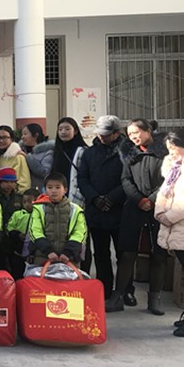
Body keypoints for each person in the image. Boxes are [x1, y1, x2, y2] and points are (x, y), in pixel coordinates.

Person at [108, 119, 168, 315]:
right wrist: (139, 199)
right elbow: (125, 179)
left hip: (159, 207)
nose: (133, 136)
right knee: (127, 253)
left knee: (158, 254)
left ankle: (154, 299)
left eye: (136, 132)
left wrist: (152, 199)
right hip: (134, 206)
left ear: (148, 130)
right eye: (130, 133)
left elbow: (169, 179)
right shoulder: (128, 152)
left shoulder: (165, 151)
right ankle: (118, 297)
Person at [77, 115, 129, 298]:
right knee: (100, 253)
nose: (101, 137)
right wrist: (95, 198)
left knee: (124, 254)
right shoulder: (89, 153)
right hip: (96, 210)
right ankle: (104, 290)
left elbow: (130, 180)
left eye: (106, 134)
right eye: (100, 133)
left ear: (117, 133)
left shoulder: (128, 152)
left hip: (120, 209)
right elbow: (82, 179)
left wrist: (112, 198)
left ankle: (125, 290)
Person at [154, 131, 184, 337]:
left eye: (174, 148)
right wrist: (160, 212)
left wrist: (169, 217)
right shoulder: (173, 168)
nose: (171, 152)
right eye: (169, 149)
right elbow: (164, 193)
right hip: (175, 227)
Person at [27, 172, 87, 267]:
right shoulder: (38, 208)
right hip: (42, 258)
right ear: (45, 190)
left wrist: (68, 252)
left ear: (65, 190)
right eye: (50, 187)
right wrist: (48, 251)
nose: (53, 191)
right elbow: (35, 231)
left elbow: (80, 233)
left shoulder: (76, 210)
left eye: (58, 187)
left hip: (69, 259)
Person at [52, 117, 89, 207]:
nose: (63, 132)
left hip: (76, 195)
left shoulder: (82, 151)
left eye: (67, 129)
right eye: (60, 129)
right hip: (57, 195)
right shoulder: (56, 150)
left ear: (75, 131)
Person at [6, 189, 39, 279]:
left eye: (30, 202)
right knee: (16, 272)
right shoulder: (17, 214)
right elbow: (10, 227)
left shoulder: (39, 216)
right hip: (18, 250)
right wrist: (17, 234)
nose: (27, 204)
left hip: (33, 251)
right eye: (24, 202)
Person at [0, 125, 31, 192]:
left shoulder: (18, 157)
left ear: (11, 139)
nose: (1, 140)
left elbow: (24, 184)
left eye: (5, 137)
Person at [22, 123, 56, 191]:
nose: (22, 137)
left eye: (25, 134)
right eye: (22, 134)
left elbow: (44, 172)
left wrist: (28, 157)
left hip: (39, 190)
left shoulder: (47, 152)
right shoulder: (21, 150)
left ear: (36, 135)